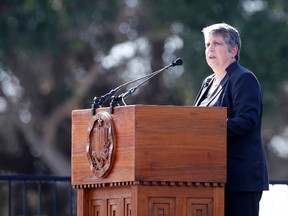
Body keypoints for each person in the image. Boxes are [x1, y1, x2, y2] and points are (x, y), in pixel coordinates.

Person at [193, 23, 269, 216]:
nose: (210, 48)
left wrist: (208, 130)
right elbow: (194, 121)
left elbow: (247, 121)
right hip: (209, 176)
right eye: (207, 44)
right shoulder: (208, 82)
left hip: (239, 179)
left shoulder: (243, 78)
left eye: (216, 43)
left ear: (234, 50)